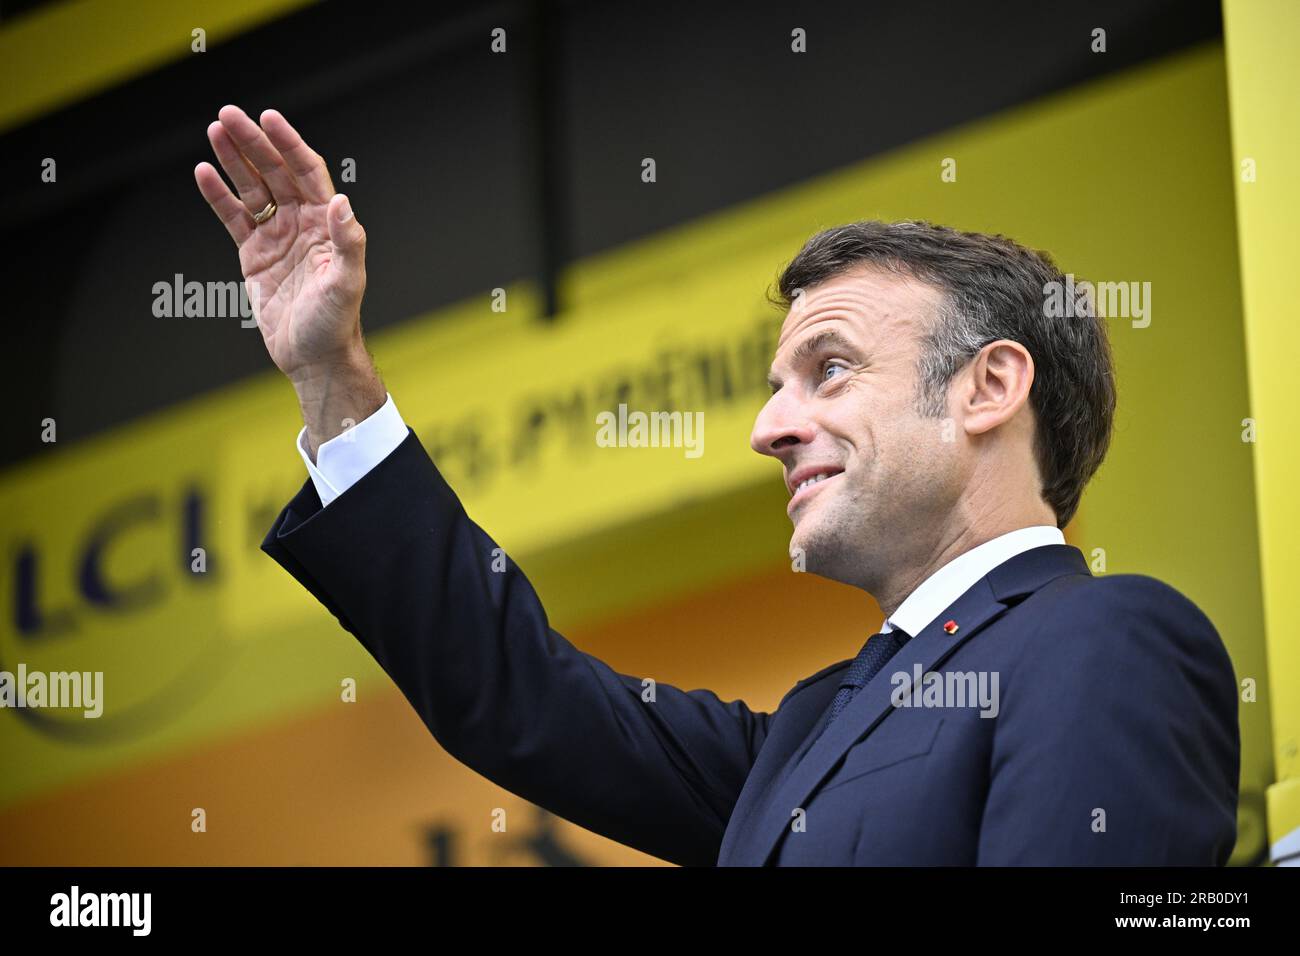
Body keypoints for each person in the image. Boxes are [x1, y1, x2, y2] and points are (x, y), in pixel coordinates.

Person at [195, 105, 1240, 866]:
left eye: (828, 368)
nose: (767, 429)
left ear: (988, 386)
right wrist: (331, 374)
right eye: (774, 385)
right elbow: (517, 692)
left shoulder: (1110, 639)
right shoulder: (806, 731)